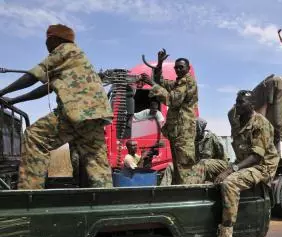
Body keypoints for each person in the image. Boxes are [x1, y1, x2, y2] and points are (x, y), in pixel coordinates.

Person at [0, 24, 114, 189]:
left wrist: (3, 91)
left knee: (34, 136)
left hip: (77, 112)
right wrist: (14, 100)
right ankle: (109, 201)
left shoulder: (65, 49)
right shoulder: (74, 60)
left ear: (54, 39)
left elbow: (33, 75)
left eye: (48, 41)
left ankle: (29, 194)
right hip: (94, 116)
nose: (47, 46)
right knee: (97, 162)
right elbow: (44, 88)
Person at [191, 90, 280, 237]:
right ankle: (193, 200)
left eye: (240, 103)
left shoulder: (260, 123)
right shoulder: (237, 118)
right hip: (242, 162)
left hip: (261, 166)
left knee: (230, 183)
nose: (236, 106)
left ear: (251, 105)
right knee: (205, 164)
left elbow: (256, 156)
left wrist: (231, 169)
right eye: (236, 102)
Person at [141, 49, 198, 185]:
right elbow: (160, 82)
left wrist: (152, 84)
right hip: (177, 132)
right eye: (176, 67)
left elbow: (172, 100)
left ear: (188, 68)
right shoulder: (178, 82)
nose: (177, 69)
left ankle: (189, 196)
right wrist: (160, 63)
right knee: (178, 168)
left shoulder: (187, 82)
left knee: (184, 168)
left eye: (181, 67)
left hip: (183, 133)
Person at [160, 117, 226, 185]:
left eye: (194, 130)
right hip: (198, 167)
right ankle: (162, 192)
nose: (192, 132)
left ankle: (192, 190)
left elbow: (224, 160)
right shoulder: (191, 141)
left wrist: (223, 174)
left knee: (203, 162)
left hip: (215, 166)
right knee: (171, 166)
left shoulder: (213, 138)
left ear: (201, 129)